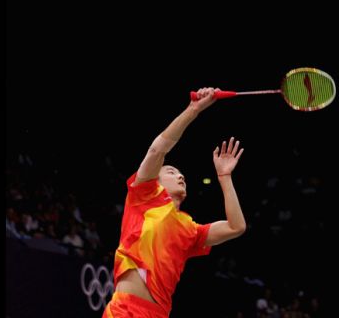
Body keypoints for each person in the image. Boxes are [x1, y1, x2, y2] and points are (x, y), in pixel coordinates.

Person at [103, 87, 247, 317]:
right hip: (126, 311)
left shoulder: (191, 230)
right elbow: (158, 149)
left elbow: (236, 227)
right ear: (156, 180)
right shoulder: (144, 196)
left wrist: (225, 177)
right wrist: (194, 110)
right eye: (171, 171)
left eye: (182, 175)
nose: (180, 176)